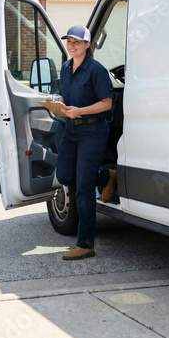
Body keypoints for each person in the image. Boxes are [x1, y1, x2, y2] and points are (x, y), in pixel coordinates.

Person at [56, 25, 116, 261]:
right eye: (69, 41)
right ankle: (106, 177)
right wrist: (57, 104)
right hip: (71, 130)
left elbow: (107, 103)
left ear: (87, 45)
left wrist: (79, 111)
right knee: (64, 175)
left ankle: (85, 244)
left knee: (83, 188)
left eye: (77, 42)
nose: (71, 46)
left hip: (93, 131)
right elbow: (64, 96)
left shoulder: (96, 70)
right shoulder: (65, 67)